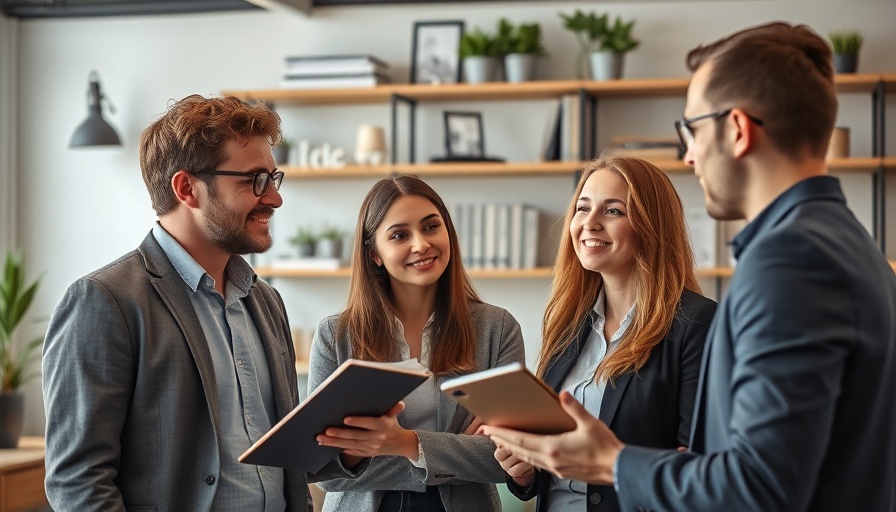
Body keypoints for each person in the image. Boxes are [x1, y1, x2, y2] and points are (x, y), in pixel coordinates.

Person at [483, 21, 896, 512]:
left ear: (738, 129)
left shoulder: (792, 262)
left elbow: (761, 486)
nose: (688, 153)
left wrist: (612, 462)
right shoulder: (854, 247)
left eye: (692, 129)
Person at [42, 95, 312, 511]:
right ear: (187, 188)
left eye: (273, 179)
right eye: (254, 180)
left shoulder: (265, 300)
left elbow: (289, 469)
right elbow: (78, 482)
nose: (273, 198)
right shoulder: (105, 301)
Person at [495, 155, 717, 511]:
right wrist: (523, 471)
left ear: (651, 225)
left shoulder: (695, 322)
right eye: (583, 209)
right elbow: (547, 464)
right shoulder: (568, 323)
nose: (590, 223)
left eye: (613, 211)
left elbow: (699, 468)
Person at [307, 175, 526, 511]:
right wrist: (456, 451)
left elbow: (506, 458)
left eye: (430, 227)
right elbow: (325, 471)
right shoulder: (335, 336)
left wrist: (402, 443)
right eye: (399, 235)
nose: (421, 244)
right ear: (374, 255)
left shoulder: (497, 329)